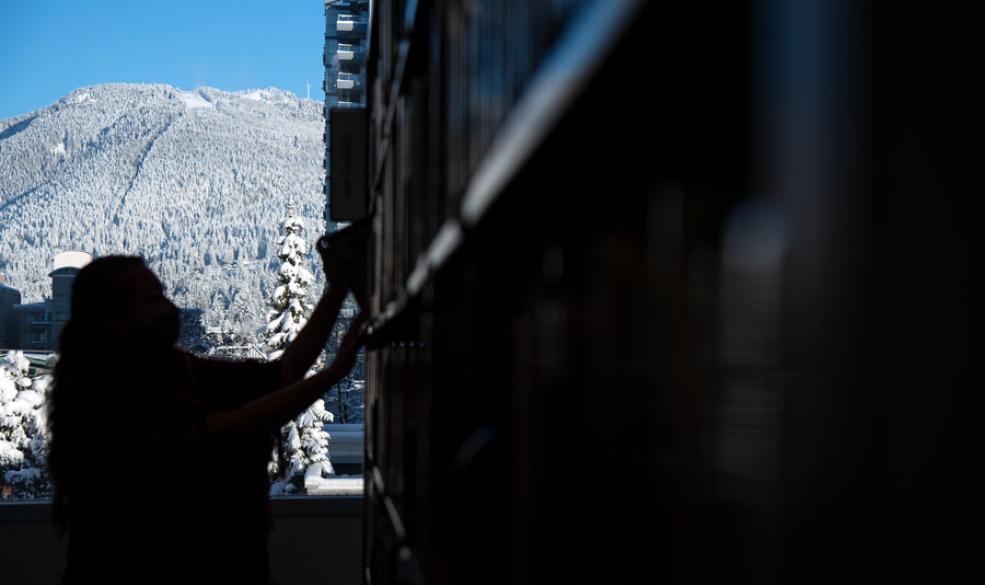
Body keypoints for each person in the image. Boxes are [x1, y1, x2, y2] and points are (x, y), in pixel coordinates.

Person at [46, 247, 368, 585]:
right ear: (114, 318)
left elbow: (281, 375)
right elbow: (228, 429)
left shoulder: (174, 369)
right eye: (153, 298)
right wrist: (332, 373)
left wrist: (335, 292)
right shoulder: (107, 394)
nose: (169, 308)